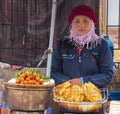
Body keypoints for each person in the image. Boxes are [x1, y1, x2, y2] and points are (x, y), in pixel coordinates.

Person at [51, 4, 114, 114]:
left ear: (92, 23)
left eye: (86, 21)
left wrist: (83, 81)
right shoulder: (63, 44)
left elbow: (108, 75)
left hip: (93, 107)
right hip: (67, 105)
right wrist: (69, 83)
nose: (81, 25)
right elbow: (53, 72)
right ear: (72, 24)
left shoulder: (101, 45)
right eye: (77, 21)